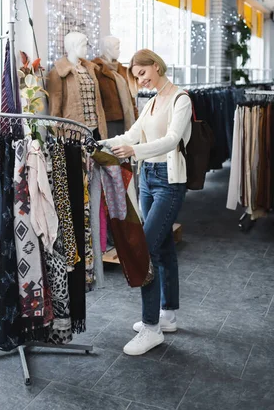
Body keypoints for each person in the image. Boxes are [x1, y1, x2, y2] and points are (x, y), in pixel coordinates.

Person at [101, 49, 192, 356]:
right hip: (148, 179)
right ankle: (167, 315)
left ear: (156, 65)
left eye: (142, 73)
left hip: (169, 181)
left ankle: (151, 328)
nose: (140, 80)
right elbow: (131, 134)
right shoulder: (151, 103)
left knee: (146, 249)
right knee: (163, 246)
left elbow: (172, 139)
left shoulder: (181, 99)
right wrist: (99, 143)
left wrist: (134, 151)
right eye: (137, 76)